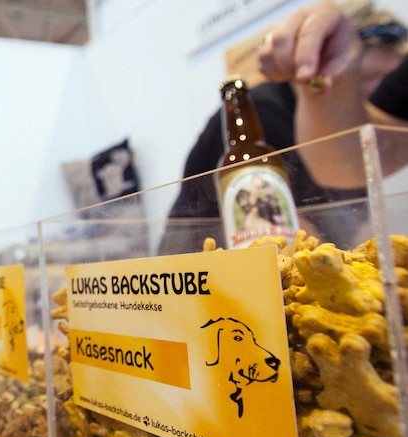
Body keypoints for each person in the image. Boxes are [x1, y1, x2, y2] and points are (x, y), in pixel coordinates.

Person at [159, 1, 407, 254]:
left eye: (386, 81)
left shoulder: (348, 127)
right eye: (368, 77)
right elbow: (291, 227)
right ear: (338, 64)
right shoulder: (265, 112)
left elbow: (353, 212)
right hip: (198, 260)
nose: (375, 91)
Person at [258, 0, 408, 187]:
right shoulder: (265, 112)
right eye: (363, 78)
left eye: (383, 78)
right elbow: (355, 163)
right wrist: (330, 80)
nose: (374, 90)